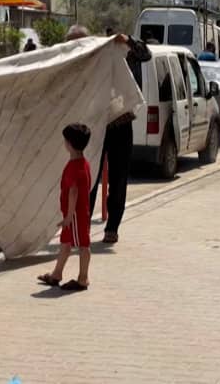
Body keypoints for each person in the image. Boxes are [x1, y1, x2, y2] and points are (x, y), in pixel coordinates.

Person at [88, 31, 151, 244]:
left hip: (121, 123)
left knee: (119, 177)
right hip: (95, 124)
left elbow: (145, 54)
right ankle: (82, 227)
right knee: (90, 178)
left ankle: (112, 228)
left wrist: (128, 40)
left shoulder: (124, 52)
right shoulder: (88, 55)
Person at [38, 123, 92, 291]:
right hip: (77, 213)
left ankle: (83, 279)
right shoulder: (83, 163)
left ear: (69, 144)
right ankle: (56, 274)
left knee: (83, 244)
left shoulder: (74, 167)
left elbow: (73, 192)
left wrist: (69, 216)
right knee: (66, 243)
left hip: (75, 215)